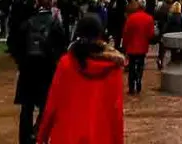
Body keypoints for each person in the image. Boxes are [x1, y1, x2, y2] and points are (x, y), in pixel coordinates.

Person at [37, 13, 124, 144]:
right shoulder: (113, 68)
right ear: (100, 34)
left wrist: (42, 136)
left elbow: (52, 103)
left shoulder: (65, 63)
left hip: (66, 135)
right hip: (101, 136)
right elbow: (116, 111)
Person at [11, 0, 67, 144]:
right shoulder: (56, 24)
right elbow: (62, 47)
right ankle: (39, 133)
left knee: (26, 108)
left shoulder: (28, 22)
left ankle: (25, 139)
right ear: (51, 5)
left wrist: (21, 62)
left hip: (28, 70)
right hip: (47, 71)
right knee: (46, 105)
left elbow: (16, 47)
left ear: (37, 3)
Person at [121, 0, 154, 95]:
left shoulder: (131, 18)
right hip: (142, 47)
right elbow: (151, 34)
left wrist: (125, 45)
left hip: (131, 47)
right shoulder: (149, 18)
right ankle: (139, 79)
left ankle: (131, 87)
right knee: (140, 65)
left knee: (131, 67)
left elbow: (126, 33)